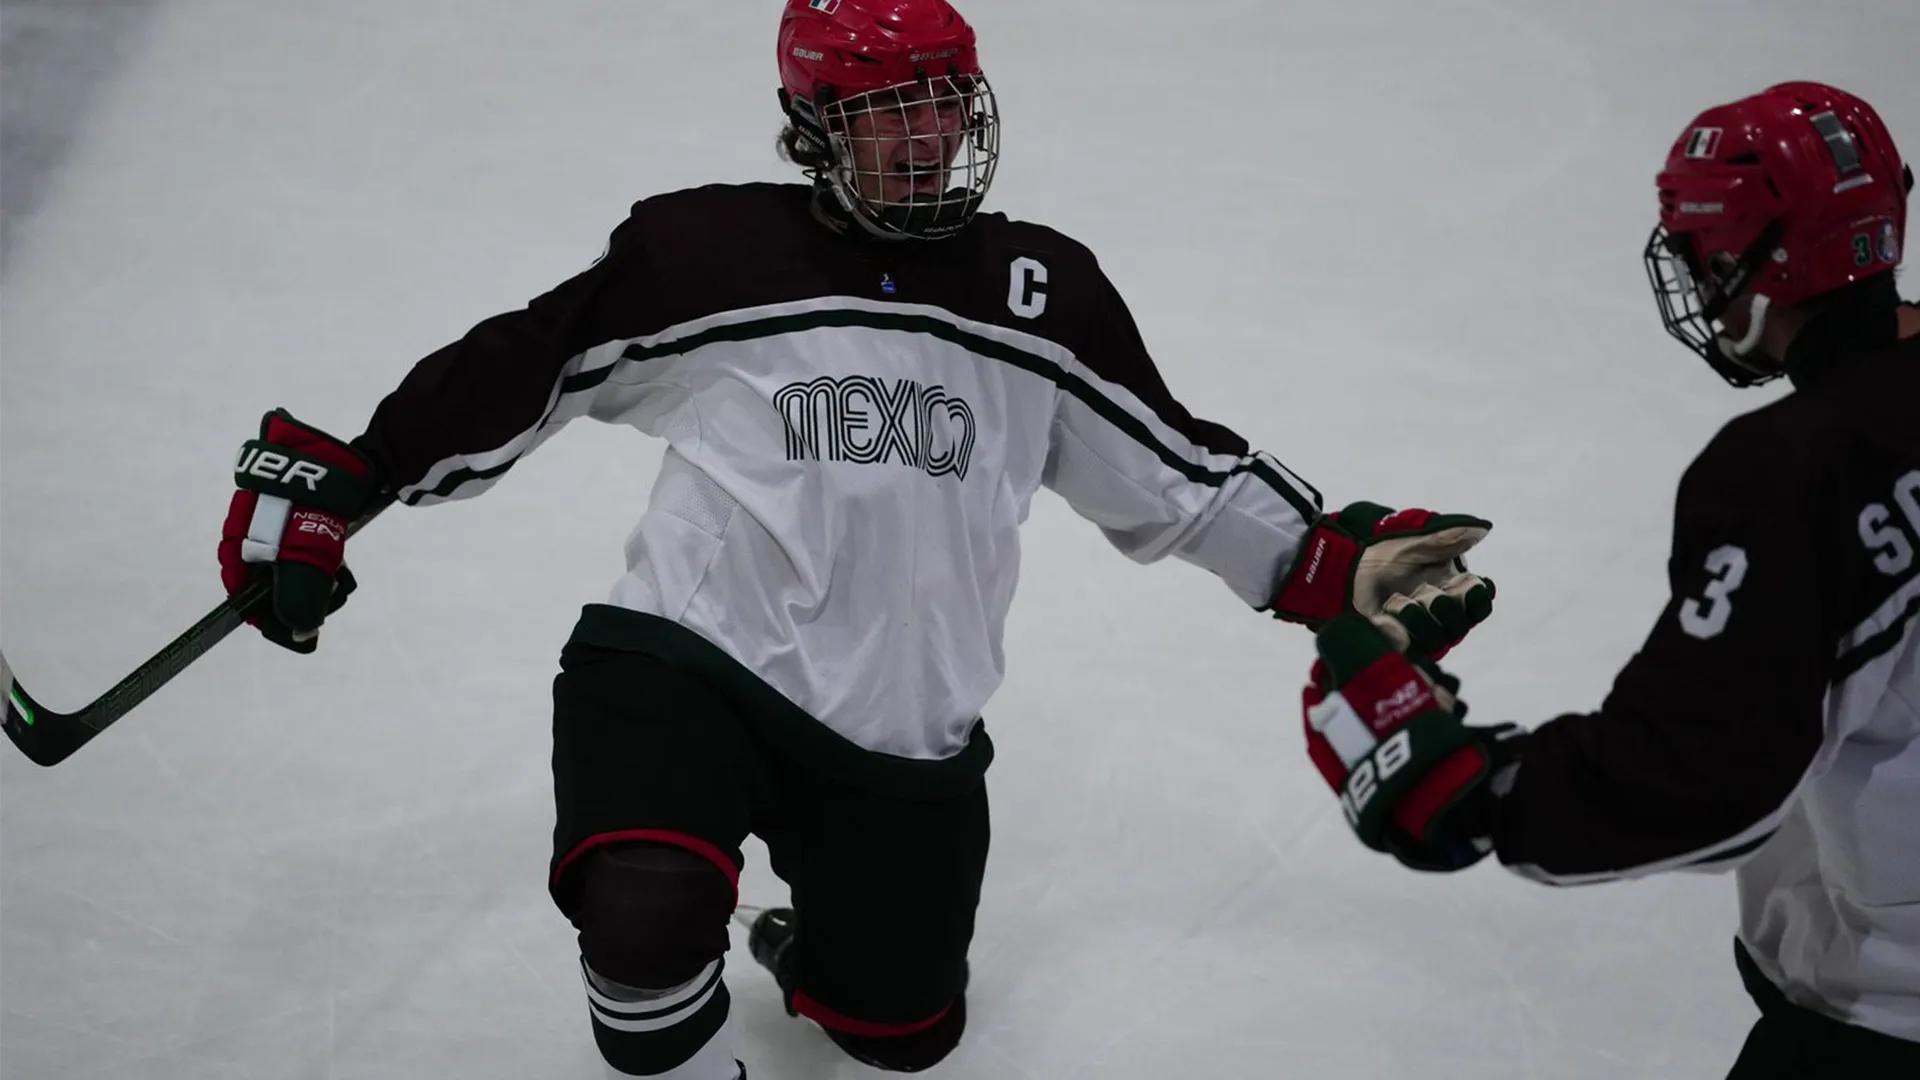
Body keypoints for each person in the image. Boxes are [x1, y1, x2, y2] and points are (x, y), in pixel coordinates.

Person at [214, 1, 1495, 1076]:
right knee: (645, 915)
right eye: (893, 113)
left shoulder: (1035, 290)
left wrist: (1321, 563)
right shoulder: (705, 253)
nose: (931, 136)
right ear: (817, 127)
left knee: (902, 1030)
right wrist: (359, 476)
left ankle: (806, 951)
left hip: (901, 728)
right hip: (691, 664)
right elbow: (526, 366)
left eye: (948, 101)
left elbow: (1173, 471)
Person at [1294, 81, 1919, 1078]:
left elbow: (1706, 776)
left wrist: (1469, 789)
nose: (1696, 276)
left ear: (1760, 264)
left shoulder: (1791, 478)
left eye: (1703, 250)